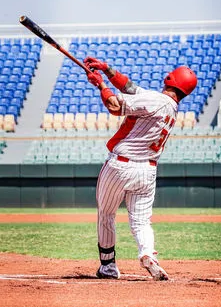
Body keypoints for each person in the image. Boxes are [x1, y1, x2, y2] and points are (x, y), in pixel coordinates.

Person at [84, 57, 197, 281]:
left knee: (106, 215)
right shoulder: (170, 106)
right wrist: (107, 69)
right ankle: (148, 254)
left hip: (120, 166)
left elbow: (115, 106)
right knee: (141, 220)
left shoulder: (156, 100)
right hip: (148, 170)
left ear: (170, 79)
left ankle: (108, 267)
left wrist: (100, 85)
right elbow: (130, 88)